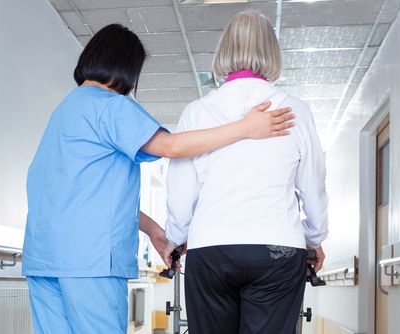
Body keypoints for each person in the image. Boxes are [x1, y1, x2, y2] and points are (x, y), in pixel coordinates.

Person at [22, 23, 297, 334]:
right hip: (90, 262)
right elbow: (172, 147)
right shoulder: (109, 106)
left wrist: (153, 230)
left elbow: (81, 193)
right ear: (126, 66)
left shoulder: (64, 112)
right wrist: (245, 128)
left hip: (42, 259)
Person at [161, 10, 329, 334]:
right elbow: (313, 187)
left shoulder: (196, 112)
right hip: (278, 249)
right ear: (272, 52)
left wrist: (176, 238)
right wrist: (314, 237)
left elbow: (181, 195)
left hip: (211, 248)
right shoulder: (296, 111)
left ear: (225, 49)